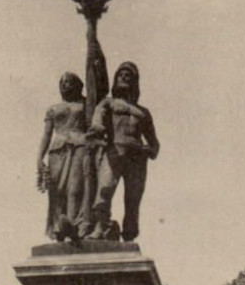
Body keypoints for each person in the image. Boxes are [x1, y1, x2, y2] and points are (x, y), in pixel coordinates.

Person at [87, 62, 160, 242]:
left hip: (137, 157)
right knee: (104, 189)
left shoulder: (143, 112)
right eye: (122, 74)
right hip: (114, 151)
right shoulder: (108, 103)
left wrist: (149, 150)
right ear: (116, 79)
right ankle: (100, 227)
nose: (125, 78)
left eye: (129, 76)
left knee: (133, 199)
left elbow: (154, 143)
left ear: (135, 82)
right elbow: (97, 120)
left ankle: (129, 234)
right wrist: (97, 128)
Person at [36, 72, 92, 242]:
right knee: (57, 191)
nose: (65, 85)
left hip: (80, 146)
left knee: (75, 189)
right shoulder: (53, 109)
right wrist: (40, 157)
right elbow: (46, 134)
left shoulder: (86, 105)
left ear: (78, 85)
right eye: (63, 82)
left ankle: (74, 225)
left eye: (70, 82)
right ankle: (59, 228)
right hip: (57, 150)